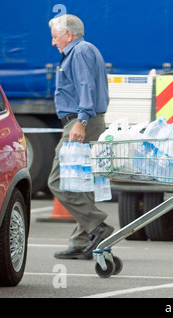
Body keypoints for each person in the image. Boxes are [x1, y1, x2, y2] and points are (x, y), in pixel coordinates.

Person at [47, 14, 114, 260]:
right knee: (80, 182)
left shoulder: (80, 51)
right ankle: (82, 241)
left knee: (57, 180)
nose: (53, 43)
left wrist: (81, 122)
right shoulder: (82, 50)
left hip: (80, 122)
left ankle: (97, 226)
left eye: (55, 37)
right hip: (83, 121)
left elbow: (87, 88)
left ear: (68, 34)